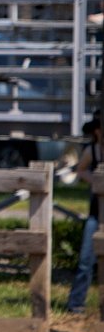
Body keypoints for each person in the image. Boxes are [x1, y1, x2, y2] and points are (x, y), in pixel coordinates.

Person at [66, 111, 102, 314]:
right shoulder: (93, 151)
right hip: (96, 214)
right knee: (85, 261)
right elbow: (80, 170)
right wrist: (96, 181)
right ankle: (76, 303)